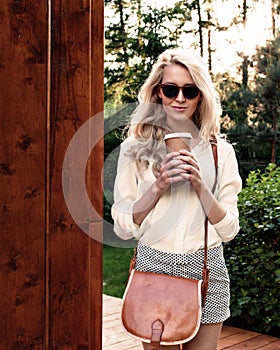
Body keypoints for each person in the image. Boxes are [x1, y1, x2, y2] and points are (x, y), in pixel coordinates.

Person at [111, 48, 242, 350]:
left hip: (206, 267)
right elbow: (122, 227)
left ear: (201, 96)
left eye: (190, 90)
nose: (179, 98)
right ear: (158, 93)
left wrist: (200, 185)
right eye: (171, 89)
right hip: (153, 266)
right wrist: (158, 186)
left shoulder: (220, 153)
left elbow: (230, 230)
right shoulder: (135, 149)